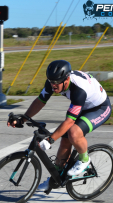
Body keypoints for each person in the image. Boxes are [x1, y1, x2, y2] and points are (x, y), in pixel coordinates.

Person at [7, 60, 112, 193]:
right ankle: (55, 178)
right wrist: (23, 118)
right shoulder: (53, 81)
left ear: (67, 79)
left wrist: (50, 140)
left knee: (73, 132)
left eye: (56, 83)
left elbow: (69, 121)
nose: (53, 85)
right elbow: (40, 101)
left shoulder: (78, 89)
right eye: (51, 81)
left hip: (100, 108)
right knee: (65, 139)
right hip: (83, 106)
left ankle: (84, 159)